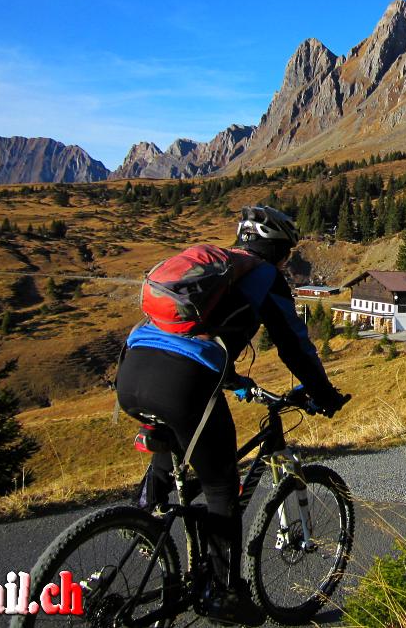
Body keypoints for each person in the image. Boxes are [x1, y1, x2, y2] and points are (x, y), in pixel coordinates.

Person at [115, 205, 348, 624]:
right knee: (222, 488)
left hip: (132, 368)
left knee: (175, 438)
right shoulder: (264, 276)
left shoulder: (219, 273)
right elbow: (294, 345)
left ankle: (146, 514)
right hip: (183, 381)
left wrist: (233, 378)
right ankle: (221, 594)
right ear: (278, 247)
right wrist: (323, 394)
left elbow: (195, 334)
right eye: (287, 251)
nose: (286, 260)